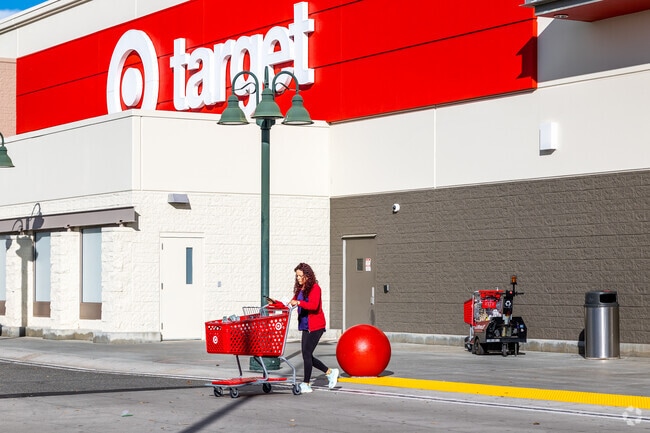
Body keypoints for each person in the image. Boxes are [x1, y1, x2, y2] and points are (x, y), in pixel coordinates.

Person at [288, 262, 339, 394]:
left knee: (306, 354)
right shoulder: (300, 289)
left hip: (316, 326)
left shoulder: (315, 288)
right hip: (305, 326)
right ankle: (330, 372)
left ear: (307, 275)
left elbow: (313, 305)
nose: (298, 278)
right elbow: (291, 303)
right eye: (297, 276)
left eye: (300, 276)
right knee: (307, 355)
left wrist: (299, 302)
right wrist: (277, 303)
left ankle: (306, 383)